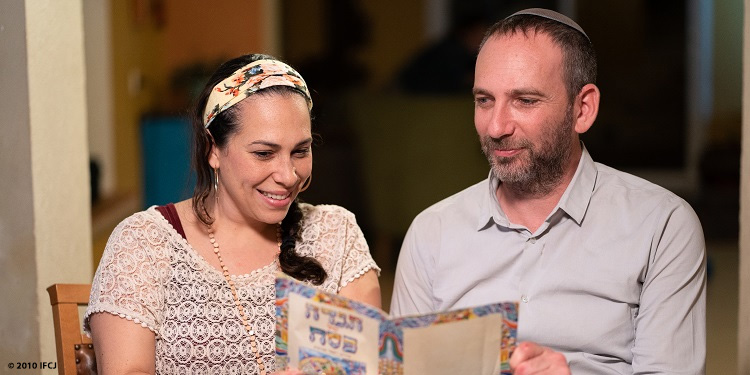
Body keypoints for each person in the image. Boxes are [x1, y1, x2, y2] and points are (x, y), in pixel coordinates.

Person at [390, 8, 705, 375]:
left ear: (582, 109)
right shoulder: (431, 232)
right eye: (484, 100)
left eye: (525, 100)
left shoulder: (662, 226)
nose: (496, 127)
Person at [85, 54, 381, 375]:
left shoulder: (335, 232)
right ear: (213, 148)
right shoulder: (145, 242)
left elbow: (368, 364)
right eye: (264, 153)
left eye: (300, 151)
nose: (288, 175)